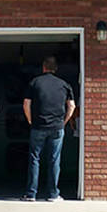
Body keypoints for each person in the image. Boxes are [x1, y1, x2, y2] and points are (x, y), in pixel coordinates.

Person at [22, 56, 76, 202]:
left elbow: (26, 104)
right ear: (55, 69)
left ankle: (31, 193)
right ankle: (53, 194)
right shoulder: (64, 85)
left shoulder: (35, 82)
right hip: (57, 127)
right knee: (54, 160)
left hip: (38, 126)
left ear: (43, 67)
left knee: (34, 159)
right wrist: (64, 122)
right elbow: (71, 106)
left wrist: (30, 120)